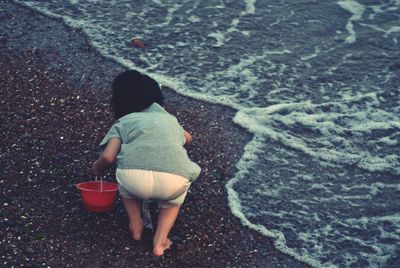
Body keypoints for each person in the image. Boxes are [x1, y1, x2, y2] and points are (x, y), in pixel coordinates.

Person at [91, 70, 201, 256]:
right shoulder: (169, 120)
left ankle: (136, 224)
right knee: (173, 201)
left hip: (134, 180)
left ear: (120, 100)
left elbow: (108, 158)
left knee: (126, 188)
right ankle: (160, 241)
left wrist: (97, 168)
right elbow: (188, 139)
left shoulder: (123, 122)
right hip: (173, 181)